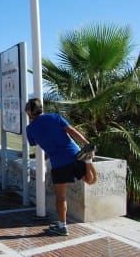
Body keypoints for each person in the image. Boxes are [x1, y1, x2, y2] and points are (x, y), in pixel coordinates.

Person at [25, 98, 97, 236]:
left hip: (58, 163)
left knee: (61, 197)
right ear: (41, 108)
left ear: (29, 112)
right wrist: (86, 143)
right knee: (90, 180)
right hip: (74, 155)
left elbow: (33, 143)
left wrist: (33, 124)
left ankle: (62, 226)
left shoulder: (30, 129)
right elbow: (71, 131)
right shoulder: (55, 117)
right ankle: (88, 162)